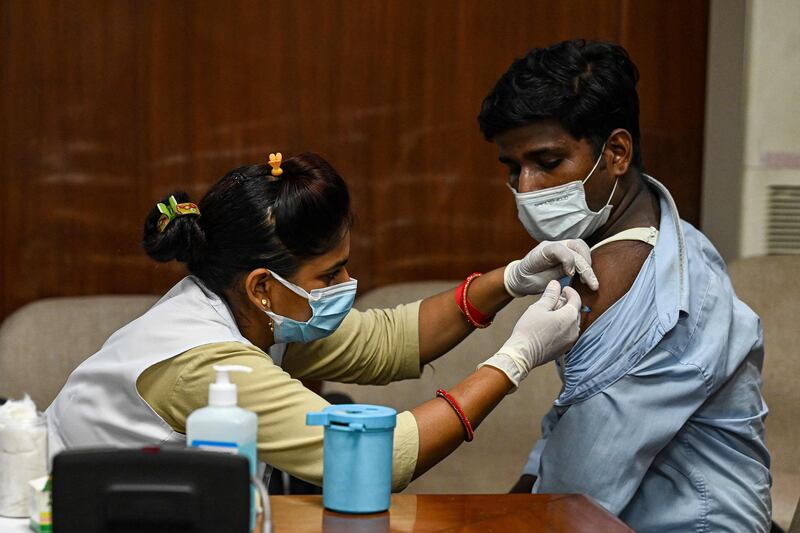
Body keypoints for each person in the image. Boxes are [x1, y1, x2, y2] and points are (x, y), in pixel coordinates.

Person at [46, 152, 597, 492]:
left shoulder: (257, 316)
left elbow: (389, 341)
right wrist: (515, 358)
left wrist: (510, 279)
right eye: (331, 274)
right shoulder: (208, 363)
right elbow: (377, 461)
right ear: (264, 286)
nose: (347, 285)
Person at [478, 40, 771, 531]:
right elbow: (571, 420)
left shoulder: (624, 278)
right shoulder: (662, 231)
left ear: (616, 152)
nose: (525, 189)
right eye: (513, 168)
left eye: (547, 162)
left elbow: (572, 502)